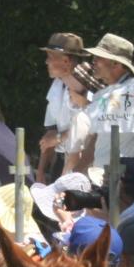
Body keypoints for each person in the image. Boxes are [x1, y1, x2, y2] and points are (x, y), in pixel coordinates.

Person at [77, 34, 134, 171]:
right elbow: (94, 142)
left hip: (124, 179)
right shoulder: (102, 96)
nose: (93, 61)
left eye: (99, 57)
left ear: (116, 64)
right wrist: (75, 174)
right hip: (100, 177)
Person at [37, 33, 90, 183]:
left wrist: (59, 138)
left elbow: (93, 127)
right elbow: (50, 133)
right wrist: (41, 172)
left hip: (84, 165)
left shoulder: (91, 87)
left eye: (50, 57)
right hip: (61, 163)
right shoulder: (57, 86)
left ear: (66, 61)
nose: (46, 62)